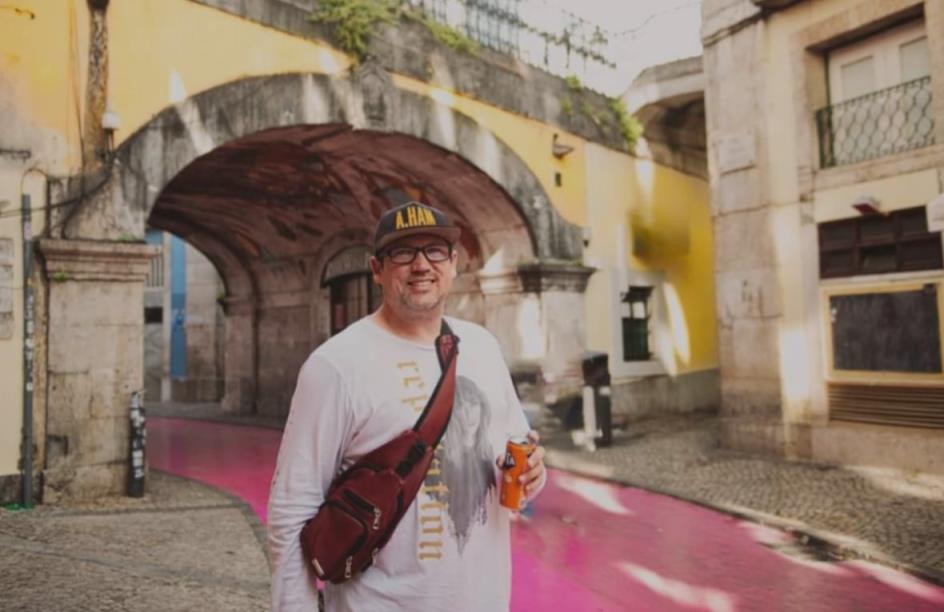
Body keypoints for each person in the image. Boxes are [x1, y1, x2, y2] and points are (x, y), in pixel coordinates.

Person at [268, 201, 547, 612]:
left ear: (453, 264)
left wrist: (533, 472)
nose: (421, 265)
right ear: (377, 269)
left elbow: (515, 450)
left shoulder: (483, 347)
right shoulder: (335, 366)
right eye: (403, 253)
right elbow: (291, 511)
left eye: (435, 251)